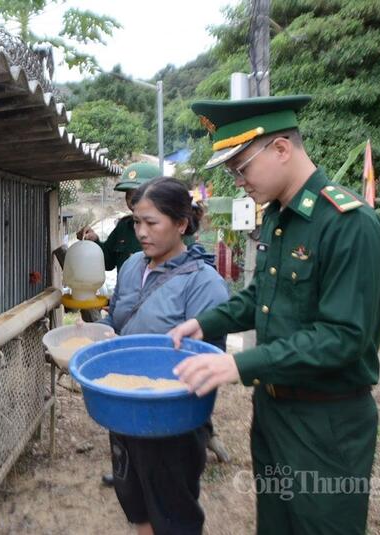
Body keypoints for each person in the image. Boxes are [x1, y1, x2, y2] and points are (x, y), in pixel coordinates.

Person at [169, 95, 380, 535]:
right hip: (273, 412)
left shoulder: (350, 225)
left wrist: (237, 364)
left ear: (282, 149)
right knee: (276, 524)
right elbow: (261, 298)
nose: (239, 182)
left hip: (326, 423)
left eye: (242, 167)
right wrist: (206, 322)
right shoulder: (278, 217)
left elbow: (343, 338)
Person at [97, 177, 229, 535]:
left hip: (173, 420)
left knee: (172, 514)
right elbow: (116, 318)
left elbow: (210, 357)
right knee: (135, 501)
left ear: (181, 224)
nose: (141, 232)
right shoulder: (131, 268)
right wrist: (106, 333)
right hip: (123, 408)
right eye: (137, 222)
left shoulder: (204, 284)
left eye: (152, 222)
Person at [77, 162, 161, 273]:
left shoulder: (172, 230)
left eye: (137, 194)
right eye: (128, 194)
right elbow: (108, 262)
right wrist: (94, 241)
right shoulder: (124, 226)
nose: (131, 200)